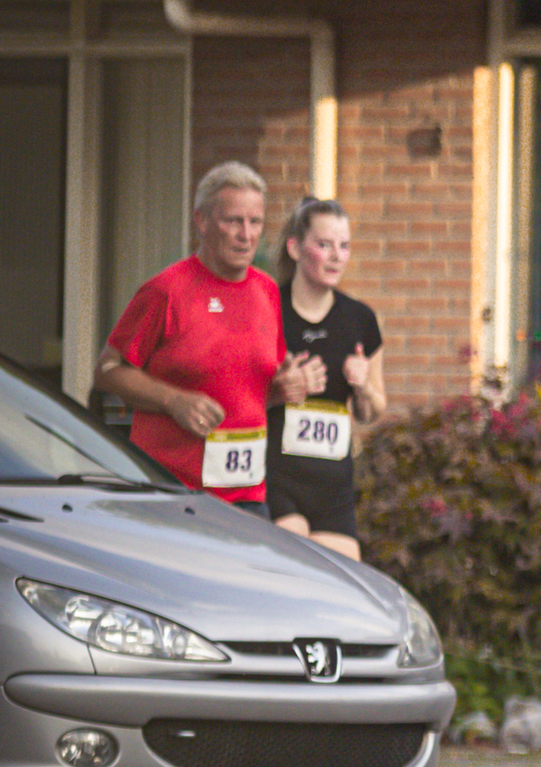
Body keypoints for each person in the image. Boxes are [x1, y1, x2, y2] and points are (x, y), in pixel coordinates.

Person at [95, 162, 317, 505]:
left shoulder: (267, 291)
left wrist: (287, 387)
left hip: (247, 494)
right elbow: (108, 372)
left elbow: (253, 391)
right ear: (201, 221)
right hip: (172, 491)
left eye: (255, 222)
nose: (246, 234)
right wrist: (173, 400)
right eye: (233, 221)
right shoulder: (167, 290)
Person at [266, 197, 386, 558]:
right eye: (324, 244)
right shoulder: (268, 309)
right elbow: (233, 397)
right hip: (276, 478)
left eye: (344, 246)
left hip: (333, 489)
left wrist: (363, 386)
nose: (336, 256)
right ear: (295, 248)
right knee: (296, 567)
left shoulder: (360, 319)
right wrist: (281, 388)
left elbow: (373, 411)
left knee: (343, 579)